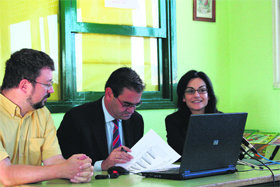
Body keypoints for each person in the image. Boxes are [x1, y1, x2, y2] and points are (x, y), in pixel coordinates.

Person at [0, 49, 93, 186]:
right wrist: (63, 169)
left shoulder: (43, 114)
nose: (52, 90)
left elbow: (55, 161)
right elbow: (5, 175)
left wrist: (77, 168)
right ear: (24, 85)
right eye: (47, 84)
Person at [57, 67, 145, 171]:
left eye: (136, 104)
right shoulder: (76, 119)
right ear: (109, 94)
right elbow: (65, 164)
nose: (131, 110)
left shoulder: (136, 120)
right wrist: (102, 165)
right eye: (126, 104)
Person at [165, 70, 220, 156]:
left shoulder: (222, 119)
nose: (196, 95)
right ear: (183, 97)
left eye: (202, 90)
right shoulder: (173, 121)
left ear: (208, 96)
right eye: (190, 91)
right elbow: (179, 154)